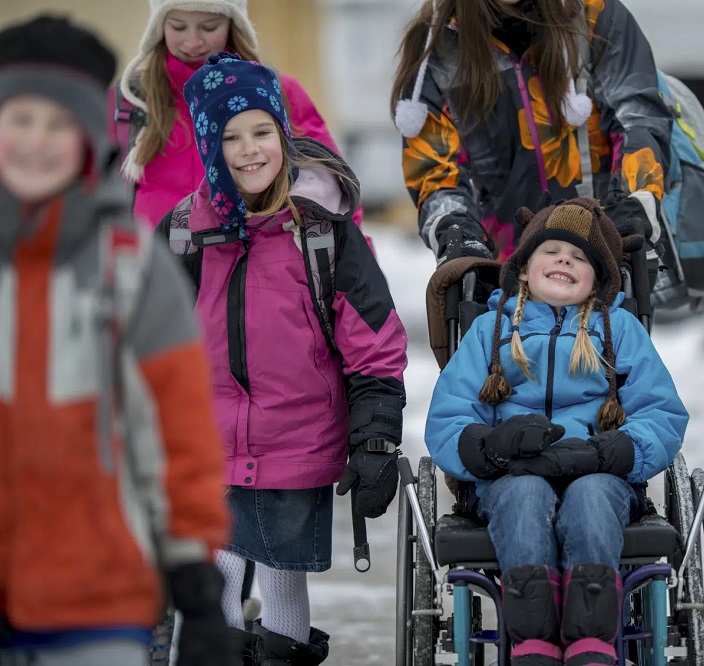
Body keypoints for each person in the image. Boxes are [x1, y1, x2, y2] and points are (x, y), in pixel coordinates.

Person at [157, 51, 408, 664]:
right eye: (229, 136)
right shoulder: (184, 232)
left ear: (283, 134)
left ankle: (283, 652)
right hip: (207, 437)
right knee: (215, 562)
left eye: (262, 132)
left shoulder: (322, 231)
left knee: (279, 569)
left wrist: (374, 440)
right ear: (209, 147)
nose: (249, 150)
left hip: (297, 435)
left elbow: (374, 341)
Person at [0, 15, 231, 666]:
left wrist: (192, 568)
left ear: (89, 140)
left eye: (58, 125)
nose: (37, 143)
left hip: (95, 593)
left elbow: (178, 428)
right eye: (21, 120)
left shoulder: (132, 268)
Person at [425, 197, 688, 665]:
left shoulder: (620, 329)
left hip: (599, 472)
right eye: (552, 250)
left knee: (590, 496)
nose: (565, 258)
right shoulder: (490, 330)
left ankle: (591, 641)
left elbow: (662, 413)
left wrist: (615, 451)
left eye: (581, 256)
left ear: (597, 281)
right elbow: (450, 416)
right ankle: (534, 641)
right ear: (524, 269)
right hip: (511, 475)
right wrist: (491, 445)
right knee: (525, 496)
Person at [392, 0, 672, 269]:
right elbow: (435, 174)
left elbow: (638, 117)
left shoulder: (593, 14)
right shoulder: (435, 50)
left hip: (602, 256)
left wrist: (632, 206)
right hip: (505, 276)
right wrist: (457, 234)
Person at [113, 0, 364, 232]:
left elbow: (333, 190)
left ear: (234, 23)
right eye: (178, 26)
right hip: (155, 267)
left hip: (250, 271)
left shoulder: (277, 92)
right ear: (158, 26)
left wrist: (354, 266)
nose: (192, 41)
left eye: (209, 27)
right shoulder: (131, 99)